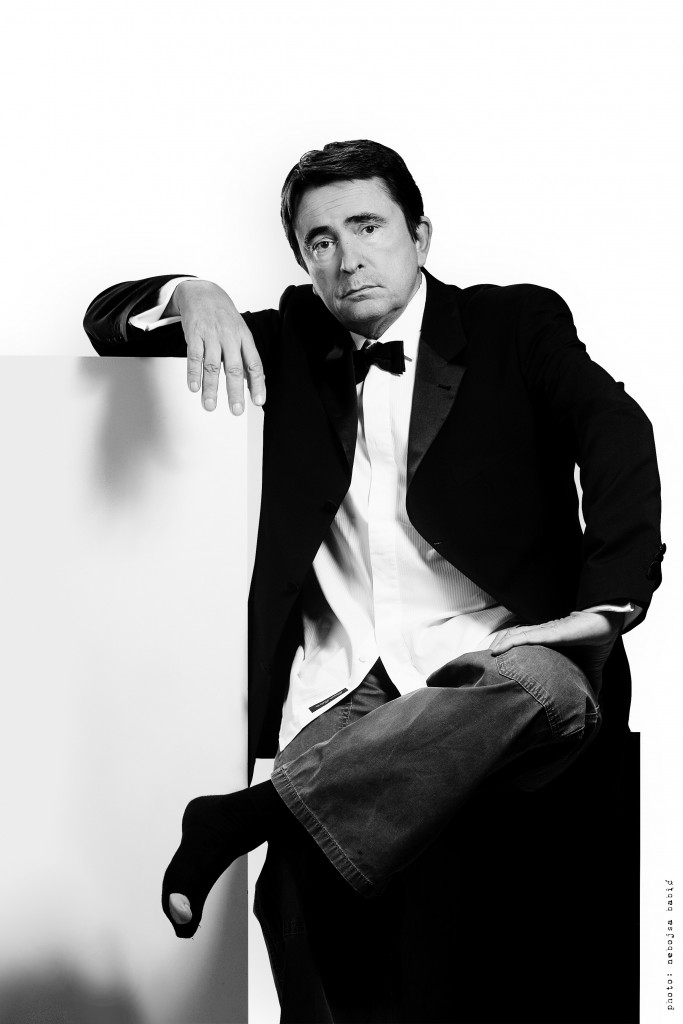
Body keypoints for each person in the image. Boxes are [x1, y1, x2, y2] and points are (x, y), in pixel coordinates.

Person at [84, 140, 663, 1023]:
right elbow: (108, 324)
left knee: (547, 686)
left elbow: (616, 426)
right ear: (301, 260)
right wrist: (191, 291)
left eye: (367, 227)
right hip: (345, 677)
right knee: (295, 903)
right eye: (319, 241)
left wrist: (601, 610)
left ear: (418, 235)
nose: (346, 257)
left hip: (495, 660)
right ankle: (271, 825)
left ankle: (244, 815)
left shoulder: (512, 324)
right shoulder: (282, 343)